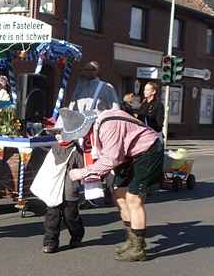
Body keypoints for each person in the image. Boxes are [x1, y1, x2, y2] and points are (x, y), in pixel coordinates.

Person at [67, 108, 163, 262]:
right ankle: (131, 239)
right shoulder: (99, 123)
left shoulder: (107, 127)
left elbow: (111, 160)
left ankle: (138, 248)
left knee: (133, 199)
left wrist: (83, 172)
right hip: (128, 154)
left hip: (148, 151)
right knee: (118, 194)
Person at [30, 115, 85, 254]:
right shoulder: (53, 147)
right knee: (52, 217)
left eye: (61, 133)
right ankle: (50, 243)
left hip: (69, 190)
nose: (58, 136)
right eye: (56, 133)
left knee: (70, 216)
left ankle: (77, 236)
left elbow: (83, 168)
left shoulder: (76, 150)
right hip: (54, 189)